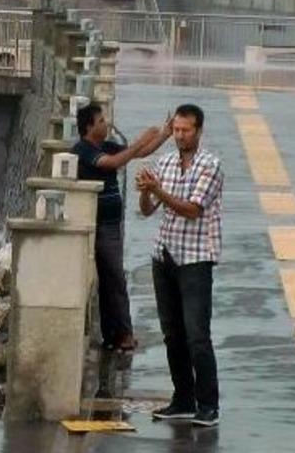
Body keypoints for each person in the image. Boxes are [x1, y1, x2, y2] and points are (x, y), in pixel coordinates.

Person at [136, 104, 224, 428]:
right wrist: (146, 192)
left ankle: (208, 404)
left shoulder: (210, 166)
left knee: (197, 335)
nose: (180, 136)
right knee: (172, 333)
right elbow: (147, 210)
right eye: (176, 130)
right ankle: (183, 399)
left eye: (186, 130)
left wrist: (157, 189)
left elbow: (192, 210)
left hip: (196, 258)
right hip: (166, 255)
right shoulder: (166, 162)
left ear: (198, 131)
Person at [73, 103, 171, 352]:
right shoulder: (83, 150)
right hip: (94, 224)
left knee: (111, 279)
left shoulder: (104, 145)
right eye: (101, 121)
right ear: (89, 127)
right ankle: (122, 333)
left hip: (108, 224)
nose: (106, 124)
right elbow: (113, 163)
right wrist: (139, 141)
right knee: (114, 278)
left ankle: (116, 334)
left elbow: (139, 153)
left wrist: (164, 134)